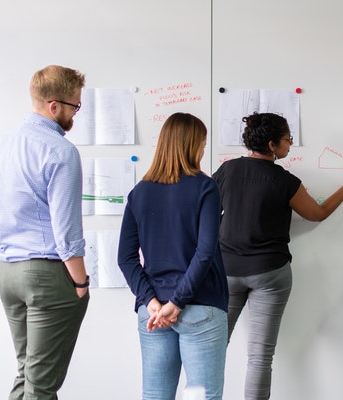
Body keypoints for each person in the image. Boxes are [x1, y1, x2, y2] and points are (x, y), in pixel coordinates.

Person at [213, 112, 343, 400]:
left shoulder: (228, 170)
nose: (291, 144)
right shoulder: (285, 181)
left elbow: (207, 211)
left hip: (226, 271)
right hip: (269, 273)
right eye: (288, 139)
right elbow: (317, 214)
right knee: (260, 357)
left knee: (212, 348)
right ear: (272, 145)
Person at [0, 65, 90, 400]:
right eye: (74, 106)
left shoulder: (1, 144)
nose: (75, 113)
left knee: (28, 374)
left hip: (8, 272)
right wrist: (81, 282)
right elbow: (67, 230)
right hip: (46, 275)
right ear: (54, 106)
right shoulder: (60, 151)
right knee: (41, 385)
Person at [117, 112, 229, 400]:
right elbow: (205, 252)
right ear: (192, 145)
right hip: (200, 307)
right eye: (202, 143)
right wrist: (177, 302)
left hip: (153, 312)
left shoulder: (139, 192)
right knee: (201, 396)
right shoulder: (205, 187)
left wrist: (152, 302)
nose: (203, 150)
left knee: (155, 395)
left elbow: (125, 258)